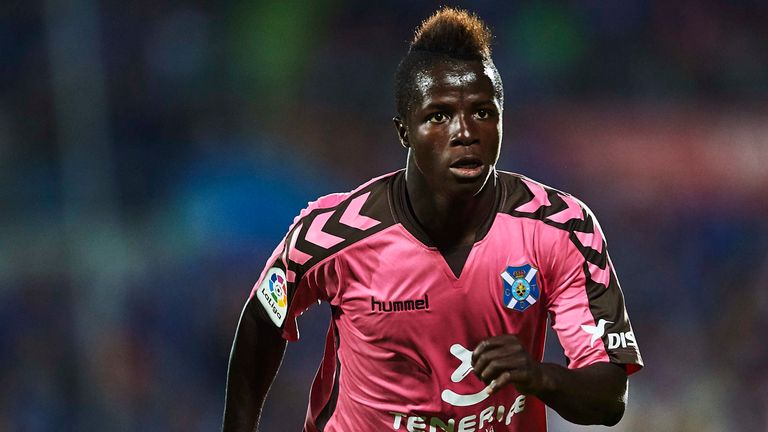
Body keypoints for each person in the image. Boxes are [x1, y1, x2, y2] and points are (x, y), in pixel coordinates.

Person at [222, 7, 642, 432]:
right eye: (439, 115)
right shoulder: (332, 234)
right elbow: (263, 318)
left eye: (482, 112)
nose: (465, 132)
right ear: (404, 130)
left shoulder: (562, 228)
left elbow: (609, 399)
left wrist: (541, 376)